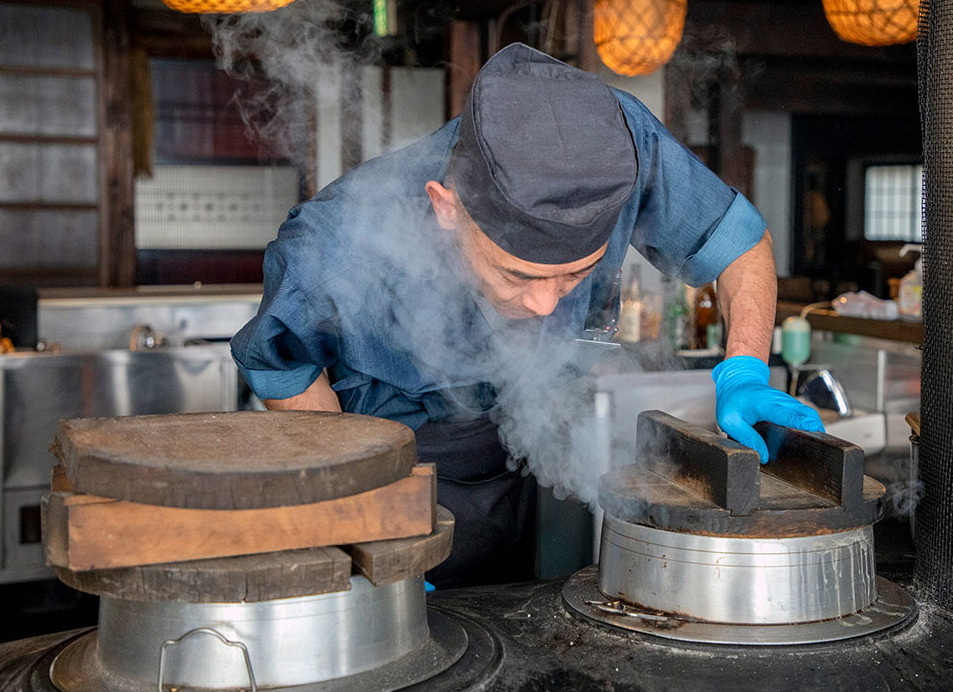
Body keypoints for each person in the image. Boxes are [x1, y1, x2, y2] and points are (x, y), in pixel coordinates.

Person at [230, 43, 823, 588]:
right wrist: (354, 512)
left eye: (576, 274)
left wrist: (744, 368)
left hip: (515, 464)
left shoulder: (620, 148)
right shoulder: (337, 240)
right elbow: (284, 365)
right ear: (447, 208)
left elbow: (738, 246)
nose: (546, 305)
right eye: (519, 276)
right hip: (390, 471)